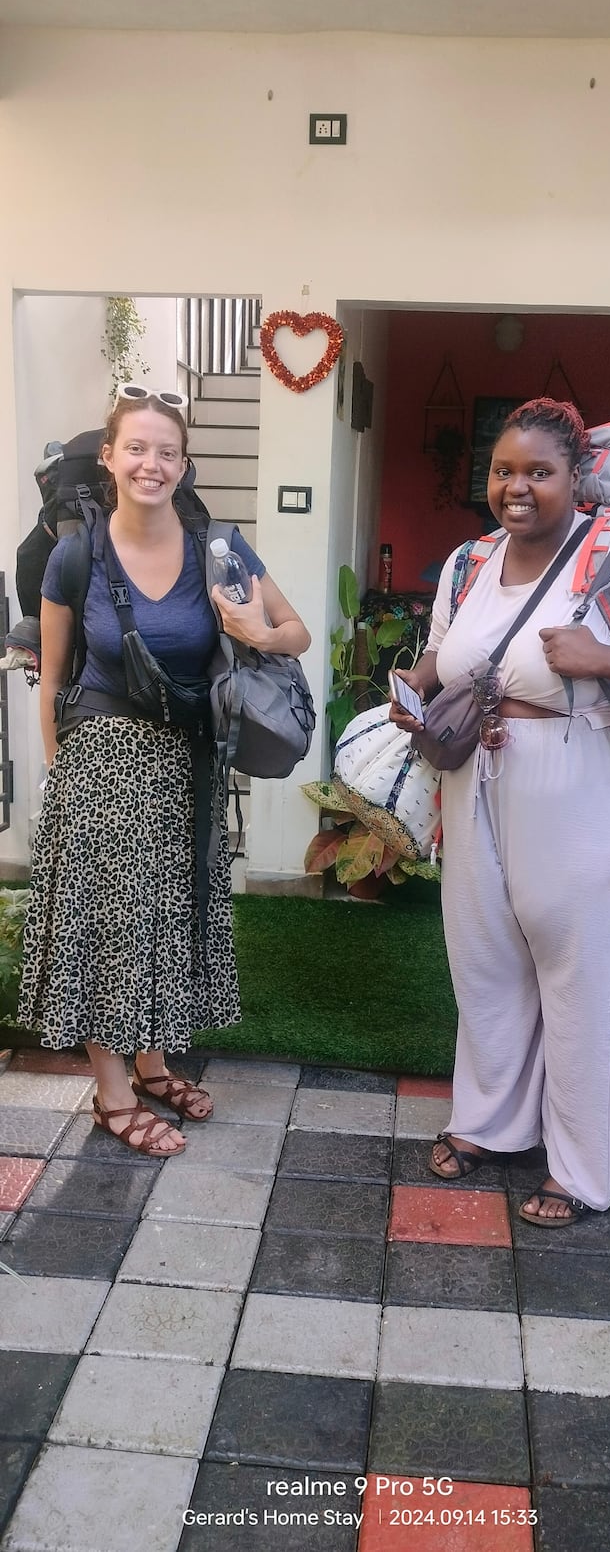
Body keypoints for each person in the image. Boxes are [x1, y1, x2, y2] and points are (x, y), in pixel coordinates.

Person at [390, 397, 610, 1224]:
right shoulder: (470, 561)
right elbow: (445, 651)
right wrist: (416, 687)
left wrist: (604, 657)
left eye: (539, 472)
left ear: (576, 478)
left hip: (582, 782)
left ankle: (578, 1169)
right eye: (504, 471)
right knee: (485, 960)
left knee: (581, 978)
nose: (518, 487)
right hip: (476, 778)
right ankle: (490, 1124)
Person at [18, 387, 310, 1157]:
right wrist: (58, 775)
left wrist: (255, 630)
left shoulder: (219, 546)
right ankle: (112, 1094)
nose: (152, 463)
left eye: (167, 451)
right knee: (109, 925)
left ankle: (151, 1066)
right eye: (137, 448)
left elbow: (297, 633)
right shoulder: (75, 555)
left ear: (184, 464)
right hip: (101, 762)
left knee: (167, 917)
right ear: (110, 457)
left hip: (188, 761)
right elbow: (52, 680)